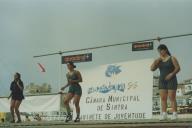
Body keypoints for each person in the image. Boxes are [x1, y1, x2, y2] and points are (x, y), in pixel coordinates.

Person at [151, 44, 180, 120]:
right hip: (162, 81)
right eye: (158, 51)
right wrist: (155, 62)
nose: (160, 52)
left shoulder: (172, 58)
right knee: (163, 98)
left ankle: (175, 114)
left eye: (161, 50)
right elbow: (152, 69)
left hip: (171, 80)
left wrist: (171, 74)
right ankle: (164, 114)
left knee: (172, 98)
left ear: (165, 50)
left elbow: (178, 68)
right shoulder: (159, 60)